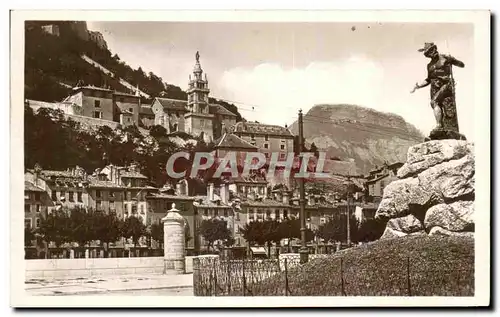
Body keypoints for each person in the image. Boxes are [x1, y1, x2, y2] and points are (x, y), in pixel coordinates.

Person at [411, 42, 464, 130]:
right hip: (434, 87)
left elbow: (462, 65)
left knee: (434, 102)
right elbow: (428, 79)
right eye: (429, 52)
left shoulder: (445, 58)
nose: (432, 52)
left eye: (432, 49)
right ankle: (441, 127)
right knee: (435, 104)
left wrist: (453, 60)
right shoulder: (429, 66)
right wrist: (418, 86)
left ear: (435, 48)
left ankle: (439, 125)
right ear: (427, 55)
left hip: (445, 85)